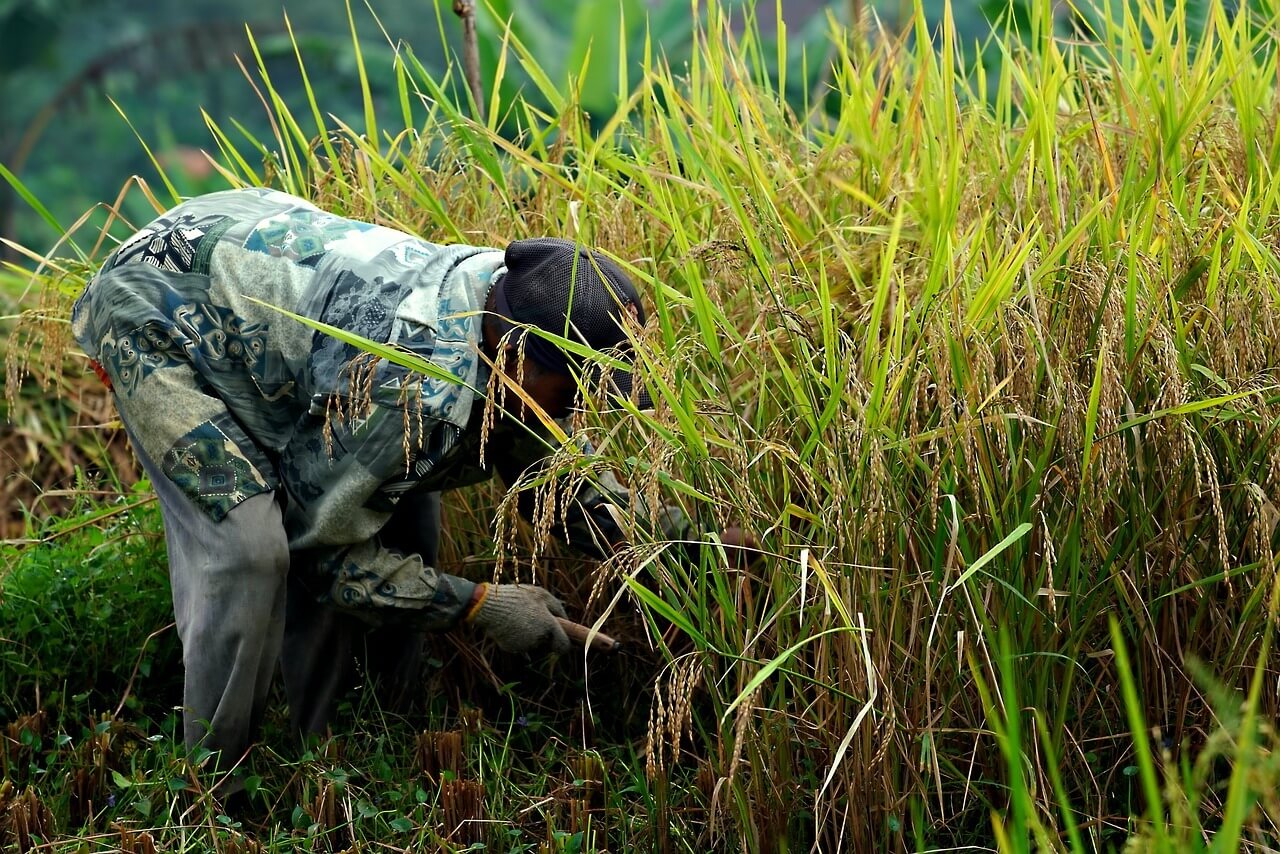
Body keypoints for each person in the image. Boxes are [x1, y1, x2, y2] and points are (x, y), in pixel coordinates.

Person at [71, 186, 736, 772]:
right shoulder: (404, 387)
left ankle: (361, 737)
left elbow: (551, 481)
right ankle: (213, 781)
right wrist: (478, 605)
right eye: (576, 388)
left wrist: (679, 545)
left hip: (253, 263)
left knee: (400, 505)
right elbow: (321, 555)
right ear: (515, 359)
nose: (584, 408)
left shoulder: (515, 310)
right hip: (159, 303)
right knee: (251, 551)